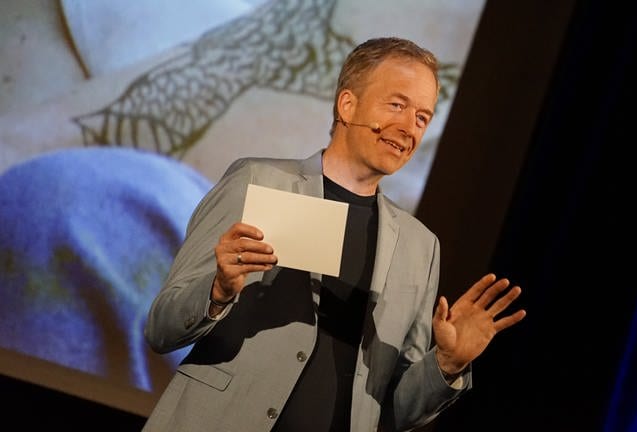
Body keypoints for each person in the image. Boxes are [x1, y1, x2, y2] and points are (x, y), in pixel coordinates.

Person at [143, 36, 526, 432]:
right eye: (397, 104)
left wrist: (447, 364)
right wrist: (218, 291)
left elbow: (394, 411)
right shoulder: (258, 181)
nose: (408, 127)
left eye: (422, 117)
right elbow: (161, 328)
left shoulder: (420, 246)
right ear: (348, 105)